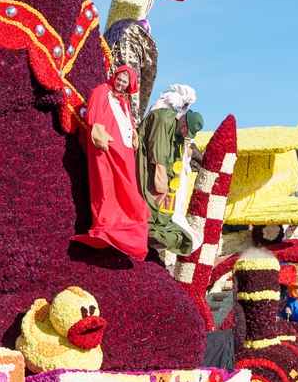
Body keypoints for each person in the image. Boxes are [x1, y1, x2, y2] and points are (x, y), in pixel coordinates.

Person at [73, 64, 150, 258]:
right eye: (120, 79)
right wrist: (98, 132)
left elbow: (128, 122)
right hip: (107, 147)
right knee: (106, 182)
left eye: (125, 82)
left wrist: (134, 134)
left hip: (124, 150)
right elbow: (93, 113)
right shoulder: (101, 90)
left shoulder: (124, 101)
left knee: (127, 184)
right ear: (114, 77)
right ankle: (106, 223)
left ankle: (126, 222)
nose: (121, 84)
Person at [136, 85, 204, 257]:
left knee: (165, 200)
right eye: (188, 131)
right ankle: (147, 225)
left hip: (166, 171)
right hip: (148, 164)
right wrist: (161, 175)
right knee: (151, 194)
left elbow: (177, 153)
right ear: (184, 122)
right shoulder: (163, 117)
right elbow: (158, 149)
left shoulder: (178, 129)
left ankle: (158, 225)